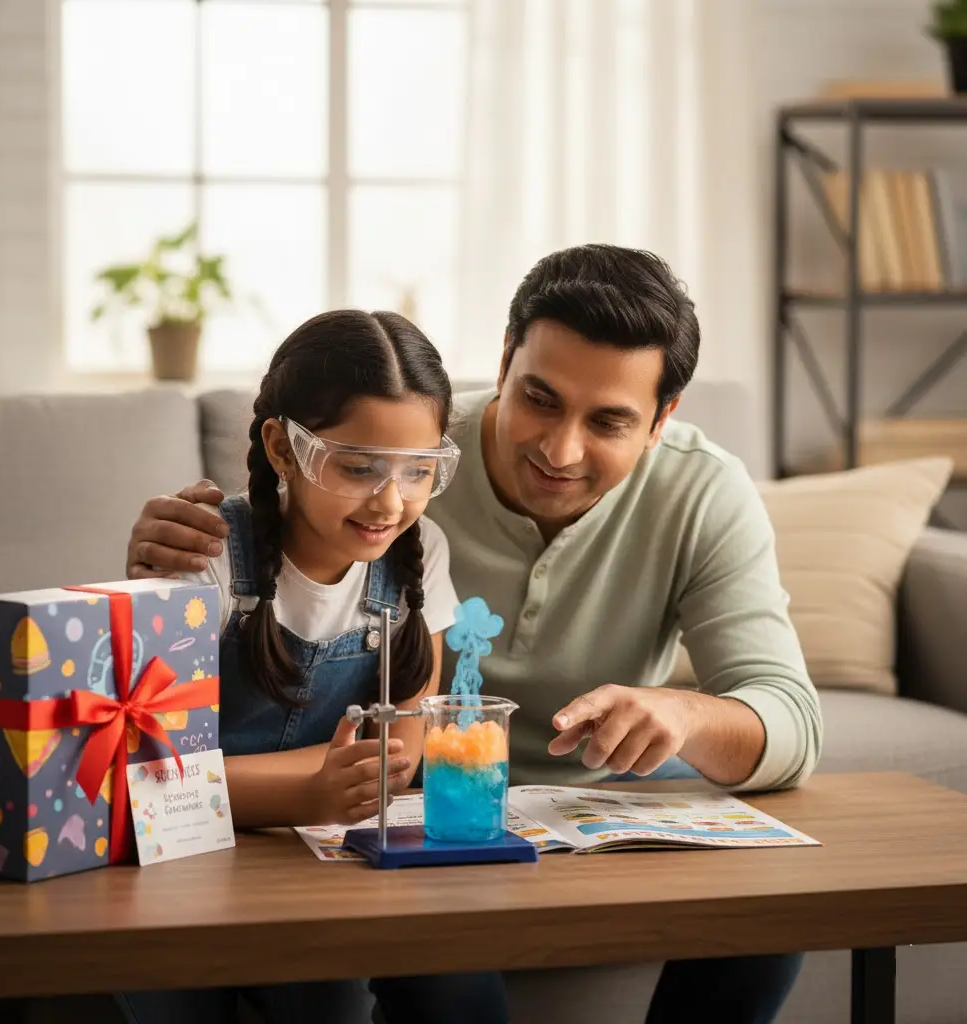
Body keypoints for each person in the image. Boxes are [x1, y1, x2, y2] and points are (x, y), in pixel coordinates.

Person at [126, 245, 823, 1024]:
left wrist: (688, 713)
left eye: (609, 421)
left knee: (775, 908)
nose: (559, 451)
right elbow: (273, 530)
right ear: (502, 362)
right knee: (425, 976)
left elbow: (791, 720)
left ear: (663, 419)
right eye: (540, 398)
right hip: (416, 800)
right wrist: (158, 581)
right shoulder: (410, 445)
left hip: (586, 796)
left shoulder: (701, 490)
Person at [117, 309, 509, 1024]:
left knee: (412, 988)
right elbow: (152, 786)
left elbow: (397, 761)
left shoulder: (423, 558)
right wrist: (310, 793)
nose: (391, 503)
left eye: (419, 471)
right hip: (185, 861)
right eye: (358, 467)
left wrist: (293, 792)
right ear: (282, 446)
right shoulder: (201, 558)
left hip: (324, 856)